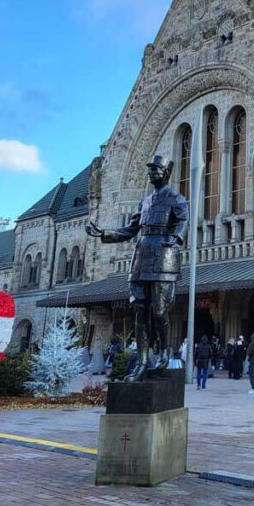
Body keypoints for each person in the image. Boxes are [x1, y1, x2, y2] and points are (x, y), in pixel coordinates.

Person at [86, 154, 188, 382]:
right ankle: (142, 362)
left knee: (160, 310)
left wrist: (176, 238)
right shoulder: (145, 202)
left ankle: (163, 352)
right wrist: (104, 233)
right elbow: (130, 229)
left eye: (155, 169)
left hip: (164, 256)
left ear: (166, 173)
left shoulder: (176, 198)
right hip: (141, 256)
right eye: (150, 169)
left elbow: (183, 222)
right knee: (140, 311)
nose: (151, 173)